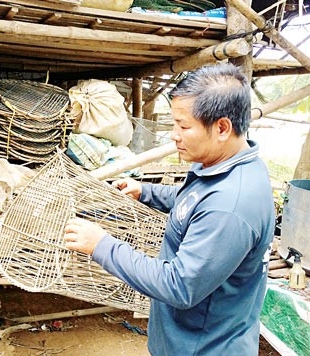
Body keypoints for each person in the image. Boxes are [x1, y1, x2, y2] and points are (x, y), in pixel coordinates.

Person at [64, 63, 275, 355]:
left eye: (184, 126)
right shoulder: (225, 163)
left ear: (222, 127)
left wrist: (101, 245)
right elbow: (197, 199)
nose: (175, 135)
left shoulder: (232, 206)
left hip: (205, 347)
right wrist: (147, 191)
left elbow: (178, 285)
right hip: (185, 338)